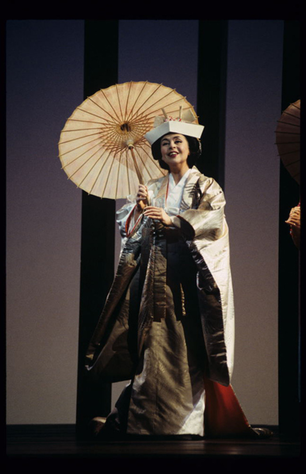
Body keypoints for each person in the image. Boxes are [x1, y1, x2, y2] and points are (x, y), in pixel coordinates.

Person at [85, 109, 271, 439]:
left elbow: (213, 223)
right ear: (159, 152)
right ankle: (140, 420)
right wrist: (140, 210)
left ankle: (182, 422)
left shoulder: (205, 185)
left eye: (178, 141)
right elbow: (131, 235)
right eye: (166, 142)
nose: (172, 146)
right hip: (152, 280)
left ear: (190, 147)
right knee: (150, 346)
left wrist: (173, 221)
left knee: (186, 348)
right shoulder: (151, 187)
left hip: (187, 278)